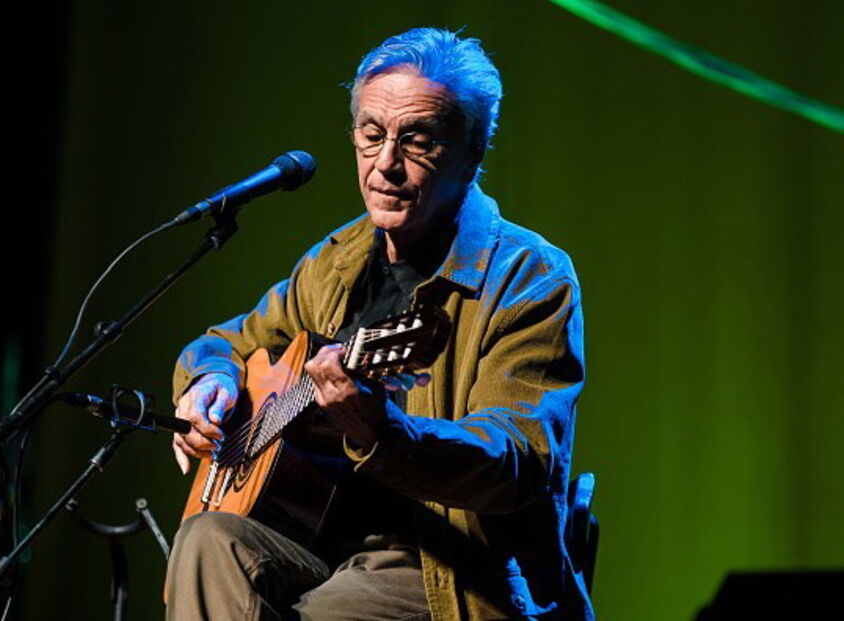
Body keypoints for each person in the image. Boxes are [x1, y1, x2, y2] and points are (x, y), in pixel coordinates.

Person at [166, 27, 593, 620]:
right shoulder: (335, 261)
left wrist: (385, 434)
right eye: (371, 136)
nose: (384, 165)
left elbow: (518, 459)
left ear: (472, 151)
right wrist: (207, 383)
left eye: (416, 141)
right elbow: (226, 343)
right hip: (323, 540)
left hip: (442, 564)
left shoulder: (530, 276)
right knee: (206, 540)